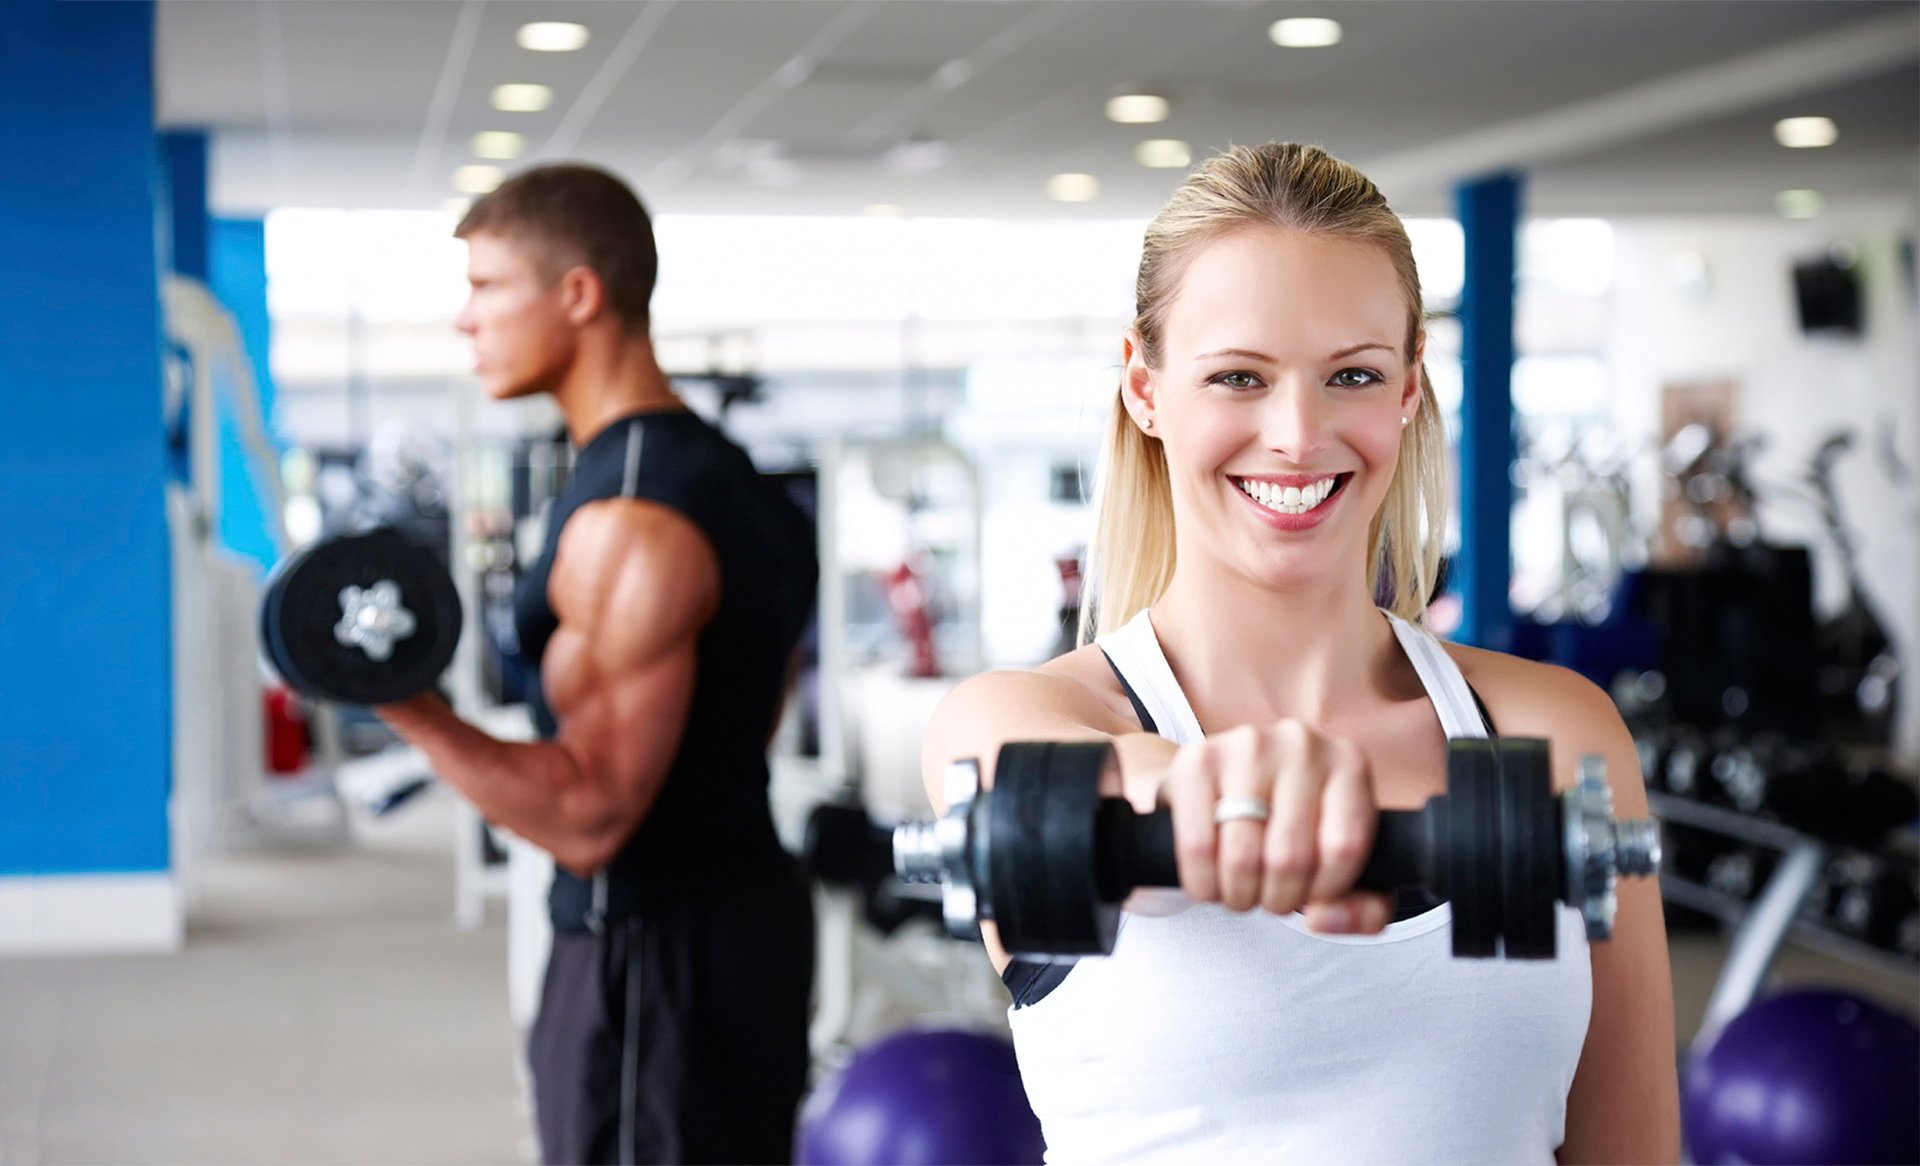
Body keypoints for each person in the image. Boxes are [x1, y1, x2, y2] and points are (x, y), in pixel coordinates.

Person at [920, 143, 1679, 1163]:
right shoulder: (1021, 720)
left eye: (1352, 375)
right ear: (1145, 388)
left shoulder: (1555, 731)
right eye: (1239, 375)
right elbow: (1094, 791)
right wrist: (1229, 791)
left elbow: (1630, 1149)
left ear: (1408, 391)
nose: (1297, 432)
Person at [376, 164, 818, 1165]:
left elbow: (589, 813)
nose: (465, 320)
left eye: (488, 286)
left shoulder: (632, 517)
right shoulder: (724, 479)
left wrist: (410, 709)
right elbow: (750, 713)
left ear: (577, 294)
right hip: (735, 922)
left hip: (653, 961)